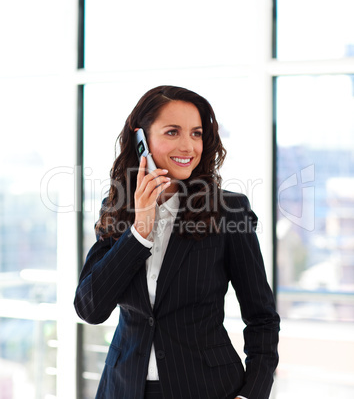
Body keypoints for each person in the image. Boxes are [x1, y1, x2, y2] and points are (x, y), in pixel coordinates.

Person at [74, 85, 280, 399]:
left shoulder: (228, 211)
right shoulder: (116, 207)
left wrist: (252, 392)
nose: (188, 146)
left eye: (196, 133)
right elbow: (90, 308)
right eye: (172, 132)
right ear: (140, 139)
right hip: (124, 387)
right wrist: (140, 230)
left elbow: (262, 316)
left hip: (208, 388)